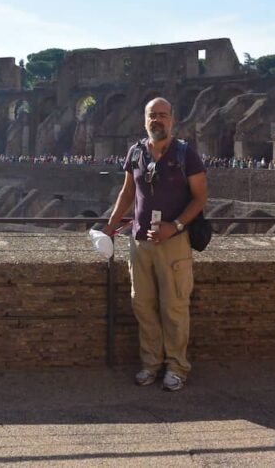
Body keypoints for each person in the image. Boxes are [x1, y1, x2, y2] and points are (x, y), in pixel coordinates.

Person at [103, 98, 208, 392]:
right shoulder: (135, 152)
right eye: (152, 115)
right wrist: (109, 228)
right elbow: (126, 194)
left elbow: (200, 198)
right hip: (139, 242)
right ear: (145, 119)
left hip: (174, 242)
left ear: (172, 120)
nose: (157, 120)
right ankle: (150, 364)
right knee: (143, 306)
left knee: (174, 306)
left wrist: (173, 226)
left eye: (162, 115)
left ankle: (177, 367)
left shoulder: (187, 154)